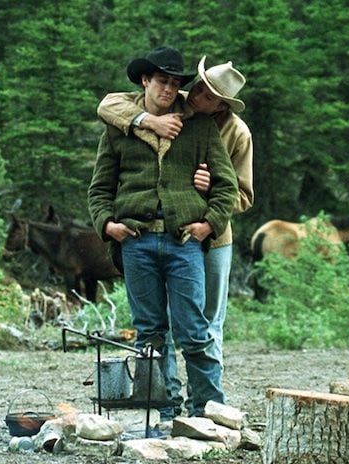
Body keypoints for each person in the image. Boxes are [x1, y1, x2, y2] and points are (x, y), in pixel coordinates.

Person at [96, 56, 253, 414]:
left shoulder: (231, 132)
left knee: (201, 326)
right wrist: (107, 224)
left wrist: (208, 217)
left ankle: (208, 409)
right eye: (198, 87)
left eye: (209, 95)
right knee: (150, 329)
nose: (197, 95)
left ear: (221, 106)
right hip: (140, 238)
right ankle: (164, 409)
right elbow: (107, 107)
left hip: (204, 238)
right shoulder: (162, 105)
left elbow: (237, 192)